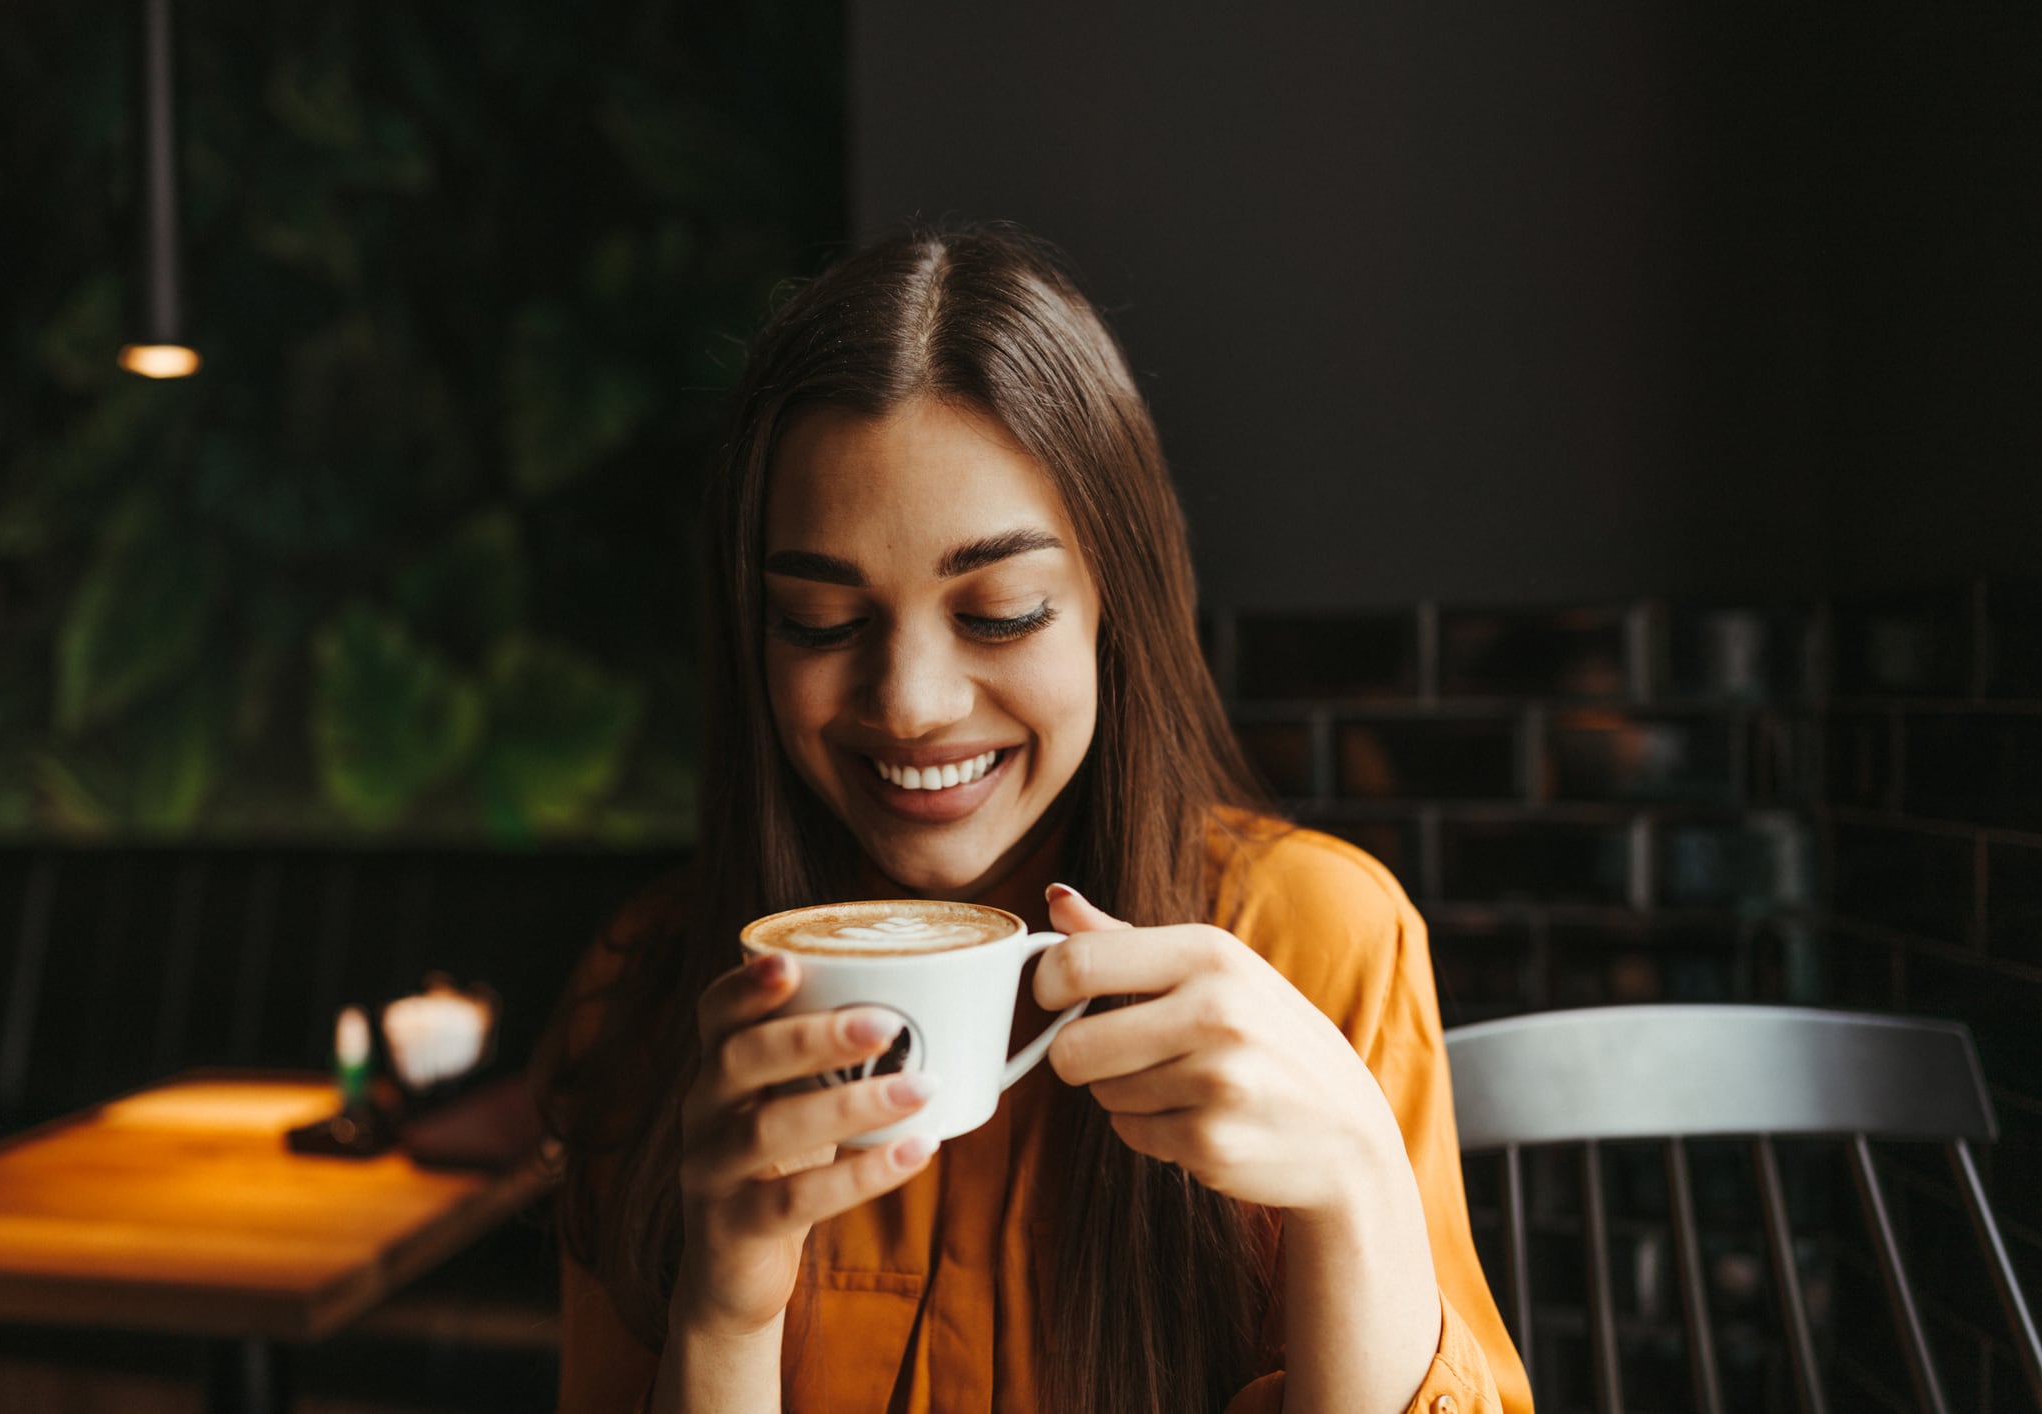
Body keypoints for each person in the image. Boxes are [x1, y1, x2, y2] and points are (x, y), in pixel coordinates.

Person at [538, 224, 1532, 1414]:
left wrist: (1358, 1190)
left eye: (1002, 612)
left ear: (1119, 605)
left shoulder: (1316, 938)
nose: (910, 703)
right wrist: (724, 1312)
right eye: (817, 621)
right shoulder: (651, 993)